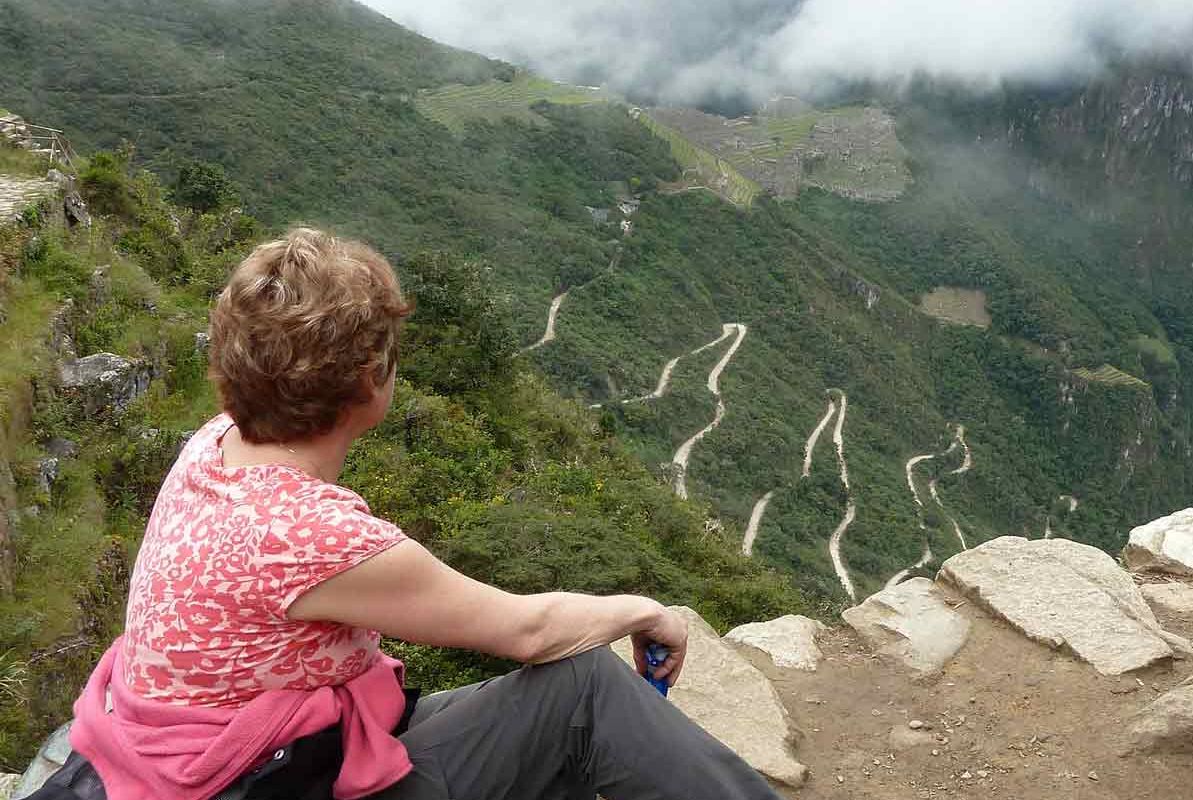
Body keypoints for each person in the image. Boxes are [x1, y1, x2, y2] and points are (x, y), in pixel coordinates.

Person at [29, 229, 782, 800]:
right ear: (370, 383)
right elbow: (528, 631)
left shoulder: (213, 445)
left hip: (206, 758)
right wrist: (648, 610)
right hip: (267, 782)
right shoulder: (311, 537)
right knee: (582, 689)